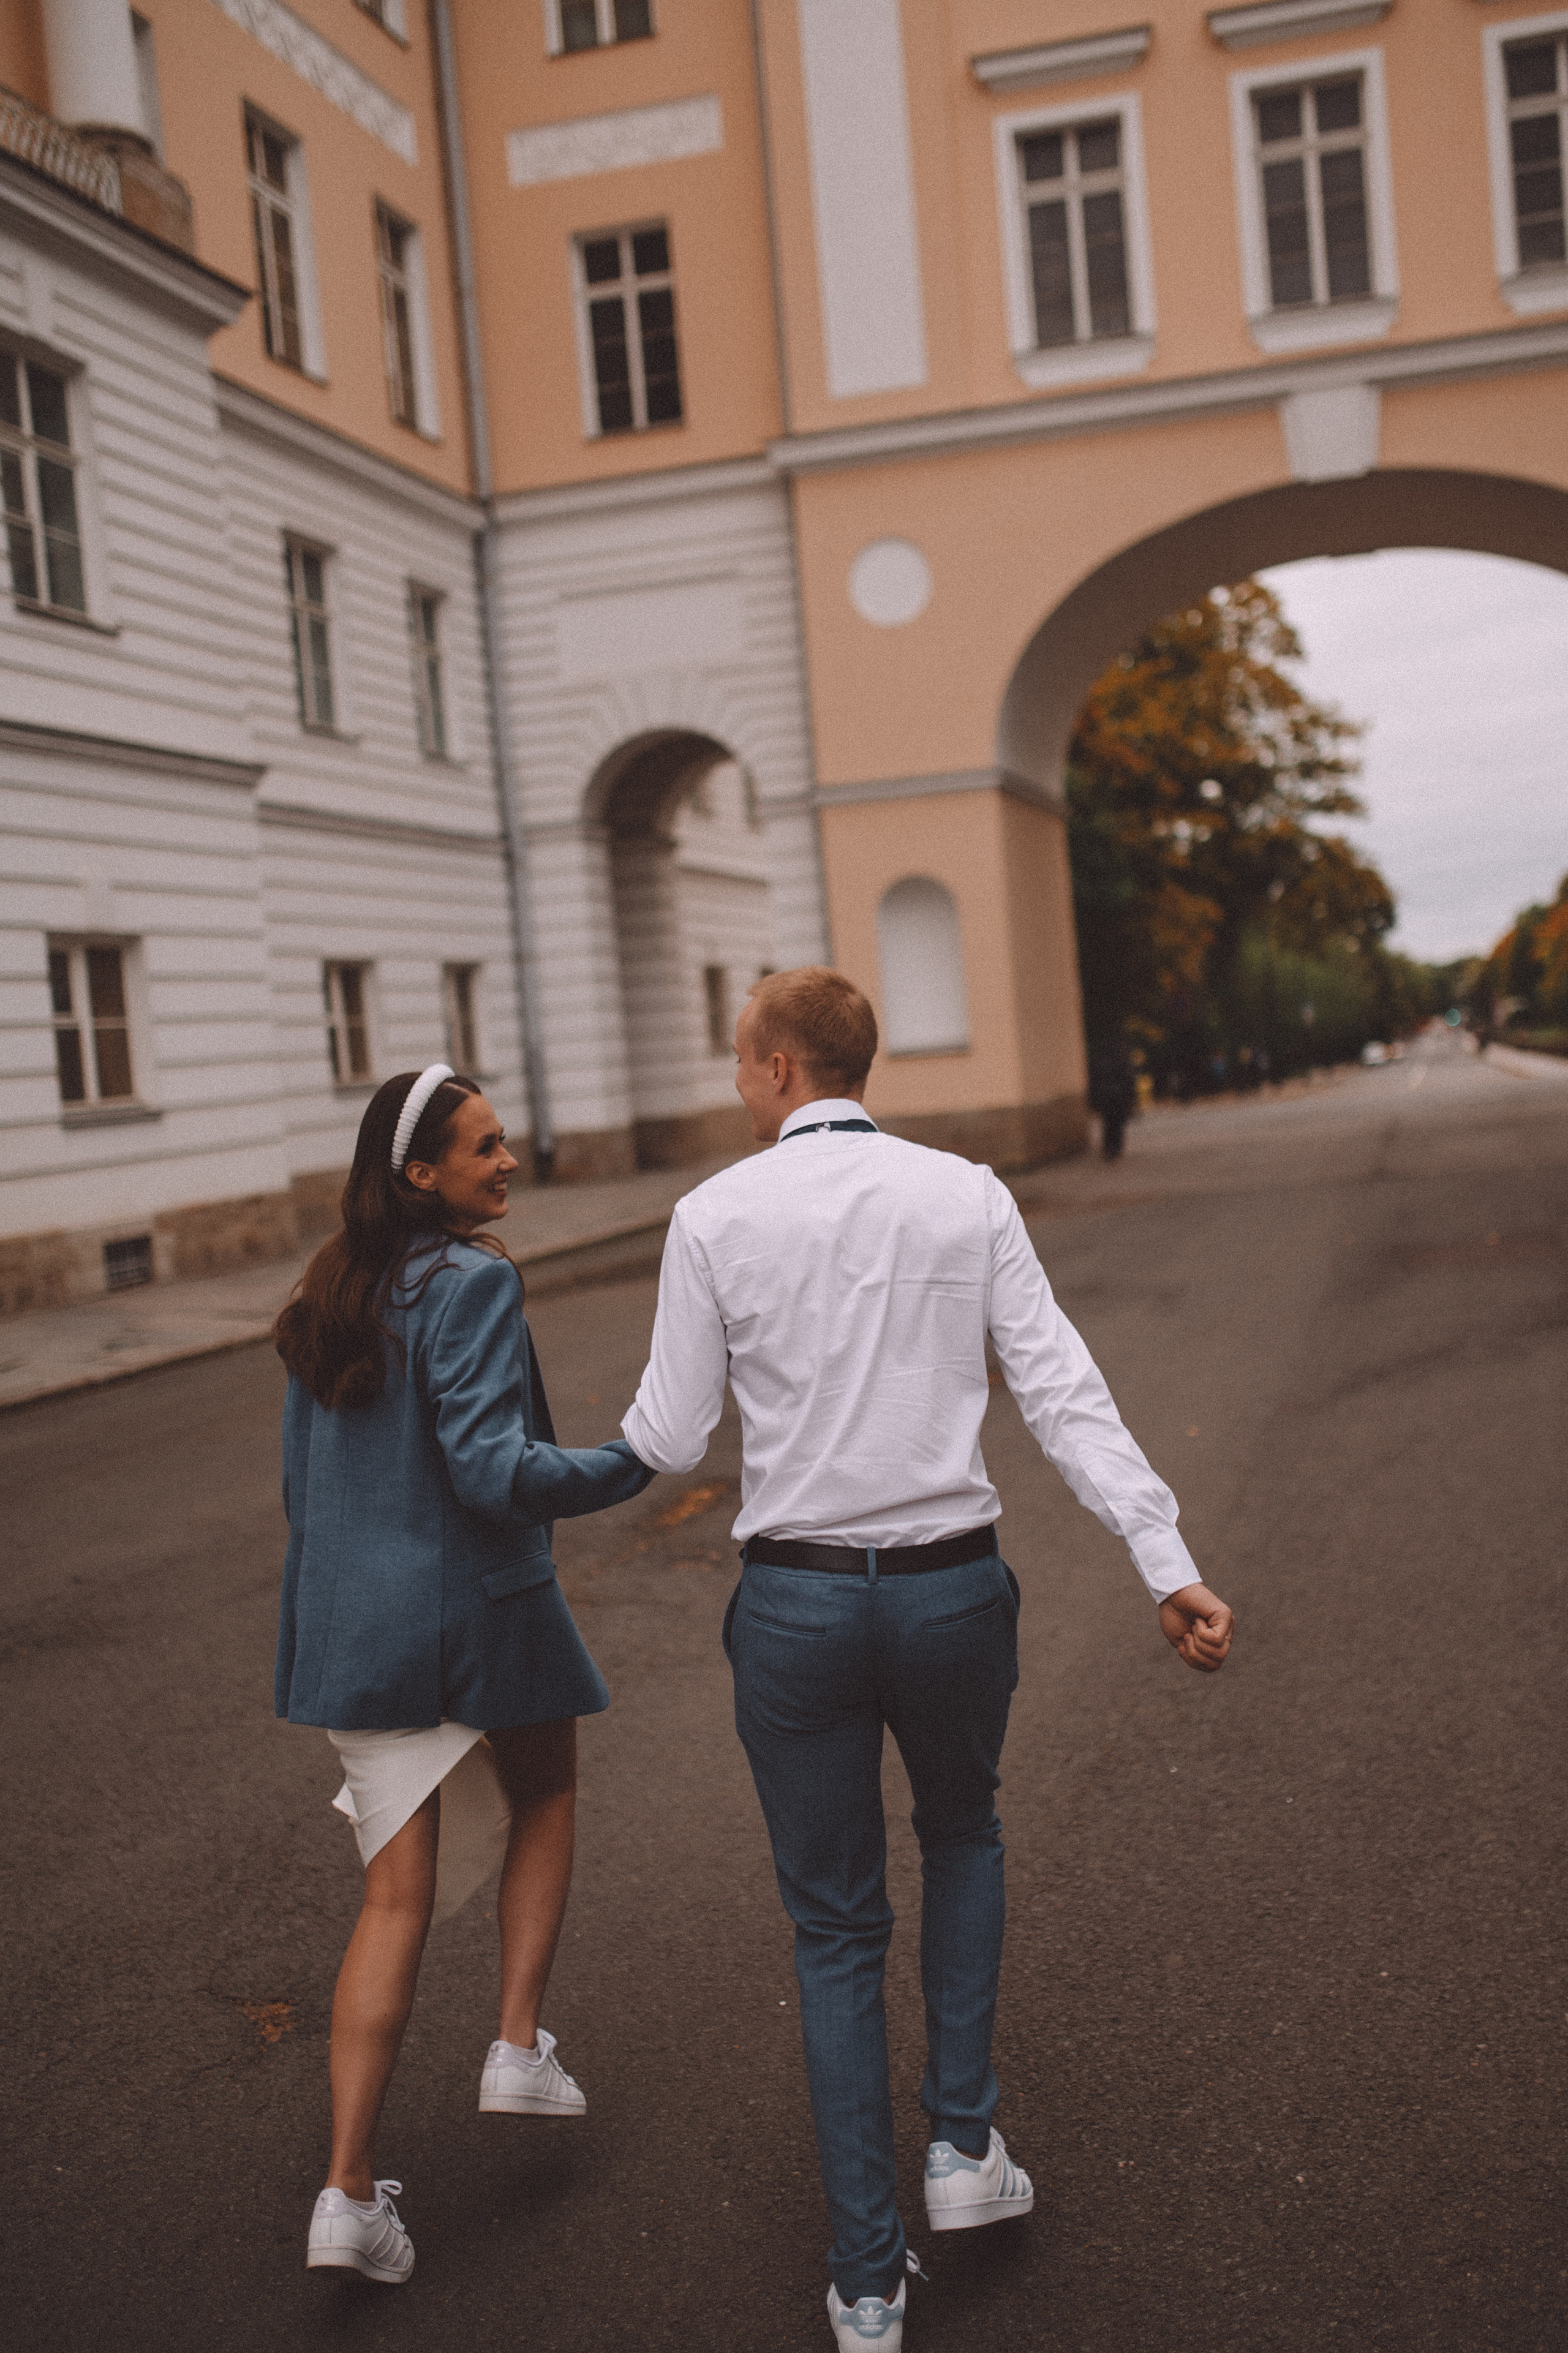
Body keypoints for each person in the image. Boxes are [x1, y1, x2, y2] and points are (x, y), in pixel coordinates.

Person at [620, 970, 1235, 2352]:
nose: (735, 1079)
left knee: (835, 1928)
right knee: (961, 1834)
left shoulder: (711, 1216)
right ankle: (962, 2148)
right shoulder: (964, 1194)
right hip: (952, 1589)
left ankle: (862, 2284)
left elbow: (667, 1436)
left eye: (738, 1059)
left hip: (794, 1604)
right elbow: (1059, 1386)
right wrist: (1164, 1558)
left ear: (778, 1066)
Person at [273, 1063, 654, 2286]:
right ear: (418, 1173)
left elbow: (301, 1489)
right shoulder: (474, 1280)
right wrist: (628, 1459)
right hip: (475, 1615)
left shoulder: (327, 1287)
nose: (507, 1160)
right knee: (546, 1790)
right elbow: (493, 1470)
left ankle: (345, 2193)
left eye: (503, 1140)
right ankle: (513, 2044)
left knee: (392, 1901)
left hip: (353, 1636)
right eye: (482, 1147)